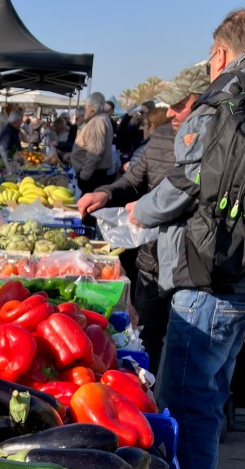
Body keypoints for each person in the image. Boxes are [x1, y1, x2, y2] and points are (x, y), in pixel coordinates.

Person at [128, 8, 245, 469]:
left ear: (222, 54)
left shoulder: (228, 96)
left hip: (211, 274)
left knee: (185, 400)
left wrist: (138, 211)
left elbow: (187, 183)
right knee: (213, 391)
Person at [78, 65, 210, 374]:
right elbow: (134, 181)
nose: (171, 114)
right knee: (147, 340)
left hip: (192, 270)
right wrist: (107, 194)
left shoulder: (216, 145)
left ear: (203, 103)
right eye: (170, 106)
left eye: (180, 105)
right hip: (151, 265)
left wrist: (152, 209)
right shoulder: (162, 136)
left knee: (188, 360)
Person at [70, 92, 115, 192]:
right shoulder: (103, 119)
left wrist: (84, 176)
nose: (86, 109)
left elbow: (95, 152)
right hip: (94, 173)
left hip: (92, 175)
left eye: (87, 106)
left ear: (92, 107)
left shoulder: (98, 121)